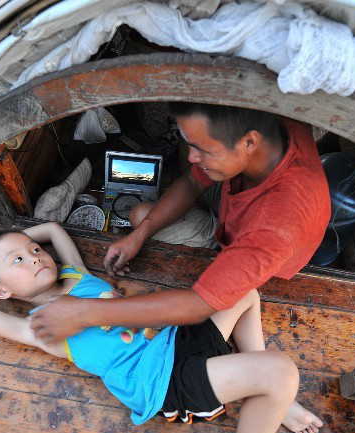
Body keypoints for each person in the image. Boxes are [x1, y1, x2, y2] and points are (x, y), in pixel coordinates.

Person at [0, 222, 324, 433]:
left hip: (176, 338)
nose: (35, 257)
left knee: (244, 289)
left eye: (34, 250)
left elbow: (53, 229)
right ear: (2, 291)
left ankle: (268, 393)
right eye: (18, 261)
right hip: (163, 381)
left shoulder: (75, 275)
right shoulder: (37, 327)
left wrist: (10, 242)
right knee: (280, 371)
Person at [29, 103, 330, 343]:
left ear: (249, 142)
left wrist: (83, 313)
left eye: (203, 150)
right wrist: (141, 234)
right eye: (191, 145)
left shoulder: (276, 225)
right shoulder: (260, 131)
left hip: (253, 250)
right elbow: (191, 181)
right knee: (140, 217)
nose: (193, 158)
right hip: (232, 215)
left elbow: (199, 303)